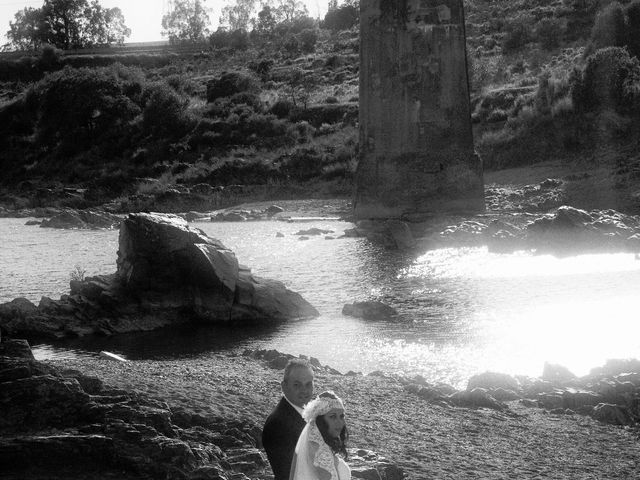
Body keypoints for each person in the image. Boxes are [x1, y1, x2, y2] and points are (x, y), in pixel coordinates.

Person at [262, 358, 315, 480]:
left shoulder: (304, 413)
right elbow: (288, 474)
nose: (304, 390)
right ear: (284, 387)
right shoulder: (277, 425)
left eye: (308, 384)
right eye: (297, 385)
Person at [289, 390, 350, 480]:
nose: (340, 422)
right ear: (320, 421)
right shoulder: (319, 452)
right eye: (332, 416)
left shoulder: (320, 447)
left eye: (341, 416)